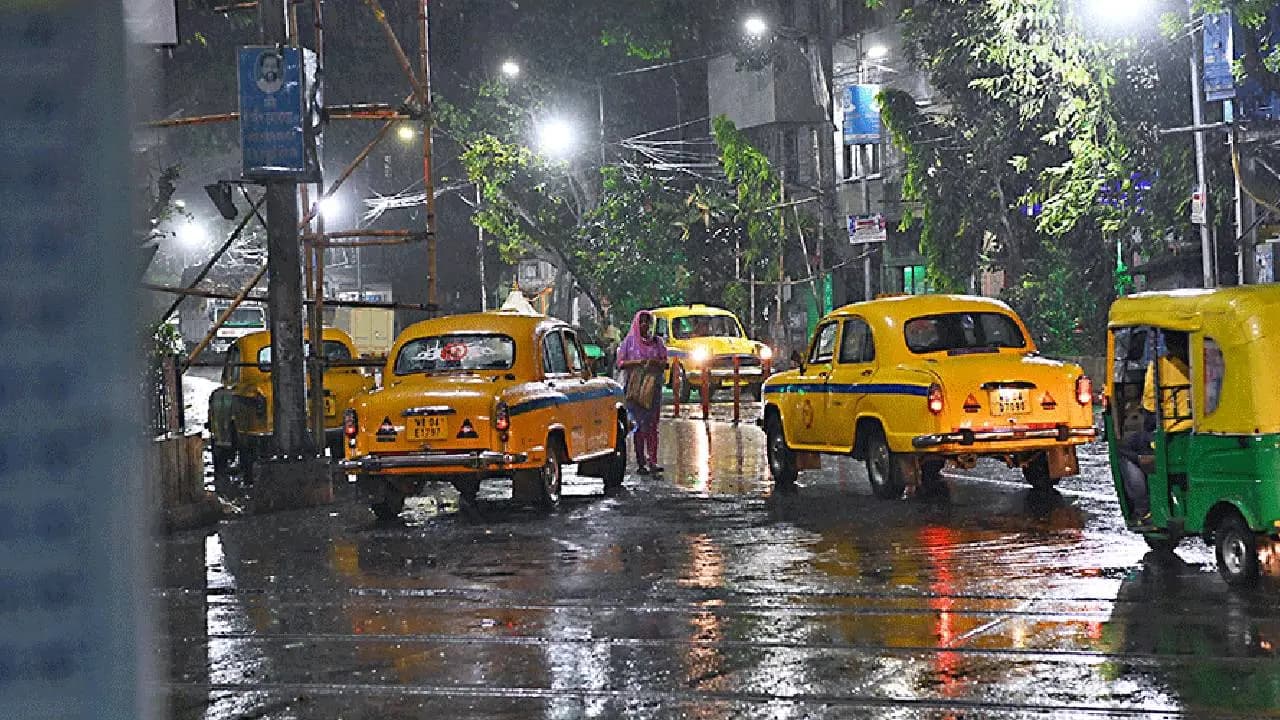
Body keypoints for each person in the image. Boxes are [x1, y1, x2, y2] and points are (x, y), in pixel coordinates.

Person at [1120, 331, 1192, 526]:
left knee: (1126, 449)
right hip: (1196, 430)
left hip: (1170, 433)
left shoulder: (1159, 367)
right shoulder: (1205, 361)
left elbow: (1150, 407)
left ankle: (1143, 510)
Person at [616, 310, 667, 474]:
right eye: (642, 322)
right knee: (639, 426)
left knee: (653, 425)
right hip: (635, 390)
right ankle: (641, 462)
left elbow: (664, 363)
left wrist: (654, 363)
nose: (645, 325)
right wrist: (637, 363)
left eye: (648, 322)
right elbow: (621, 363)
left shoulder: (657, 342)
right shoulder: (629, 342)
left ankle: (653, 460)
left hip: (653, 390)